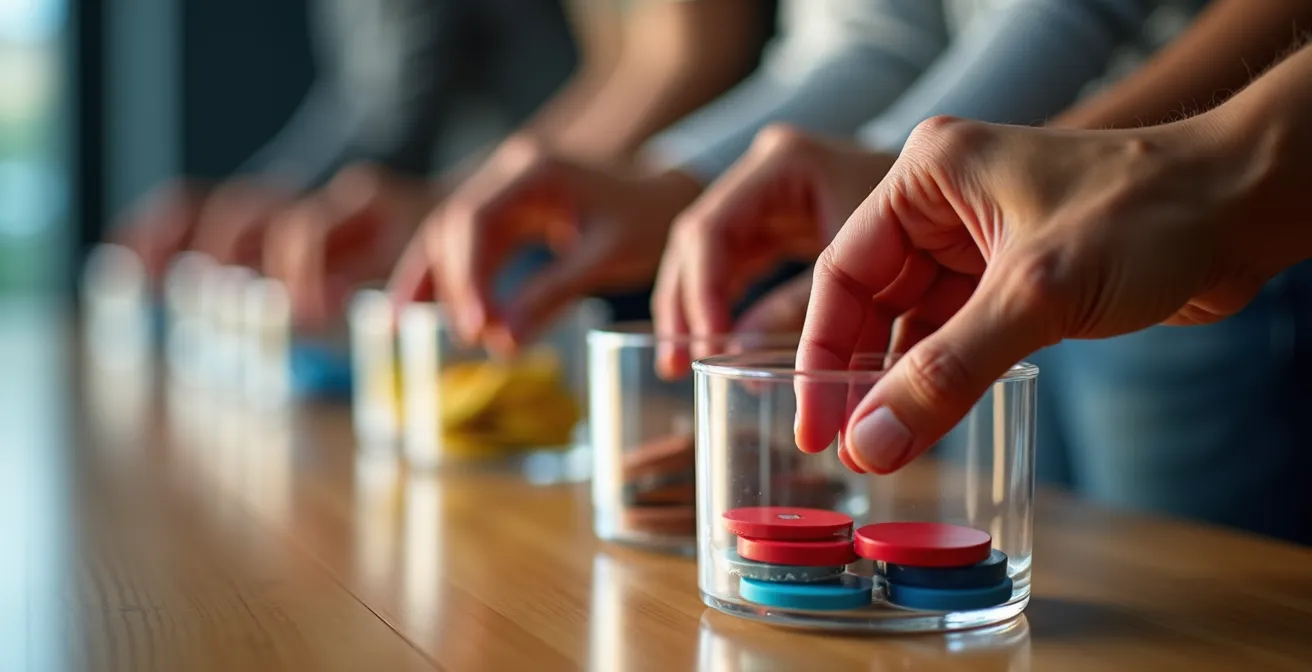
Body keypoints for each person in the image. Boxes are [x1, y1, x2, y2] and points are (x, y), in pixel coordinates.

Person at [653, 0, 1312, 542]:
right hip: (1045, 212)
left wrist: (1164, 165)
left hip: (1186, 221)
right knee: (1066, 573)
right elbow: (880, 33)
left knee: (1187, 592)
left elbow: (1082, 12)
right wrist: (903, 164)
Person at [389, 0, 1192, 354]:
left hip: (1168, 203)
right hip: (1016, 205)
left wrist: (911, 178)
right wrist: (677, 181)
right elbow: (873, 36)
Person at [266, 0, 776, 327]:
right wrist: (449, 198)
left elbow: (691, 55)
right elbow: (616, 65)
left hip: (756, 231)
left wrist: (458, 200)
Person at [110, 0, 582, 281]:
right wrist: (253, 194)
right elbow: (356, 94)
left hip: (548, 235)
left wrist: (274, 199)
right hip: (497, 202)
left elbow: (397, 115)